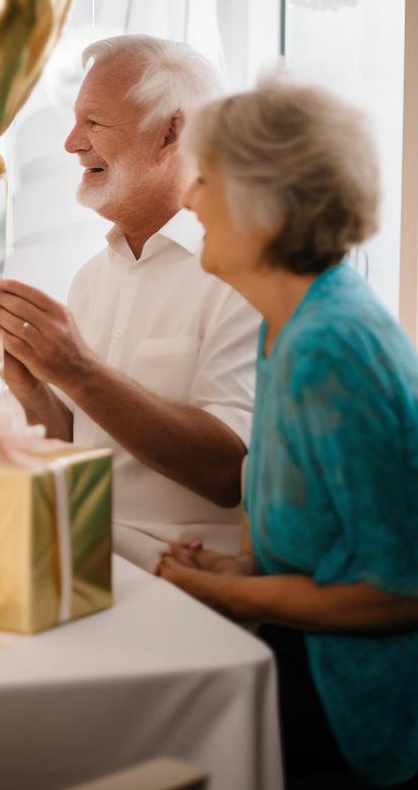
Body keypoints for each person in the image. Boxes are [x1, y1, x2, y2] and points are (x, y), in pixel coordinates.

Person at [157, 77, 418, 790]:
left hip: (361, 717)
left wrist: (233, 597)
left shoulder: (331, 344)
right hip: (305, 672)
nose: (187, 198)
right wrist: (241, 571)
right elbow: (336, 543)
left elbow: (398, 592)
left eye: (205, 178)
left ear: (265, 202)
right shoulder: (288, 324)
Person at [0, 35, 259, 570]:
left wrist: (78, 371)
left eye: (94, 122)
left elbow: (229, 475)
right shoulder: (91, 279)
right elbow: (74, 445)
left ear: (172, 132)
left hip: (188, 586)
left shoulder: (243, 275)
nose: (71, 143)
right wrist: (27, 381)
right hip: (83, 562)